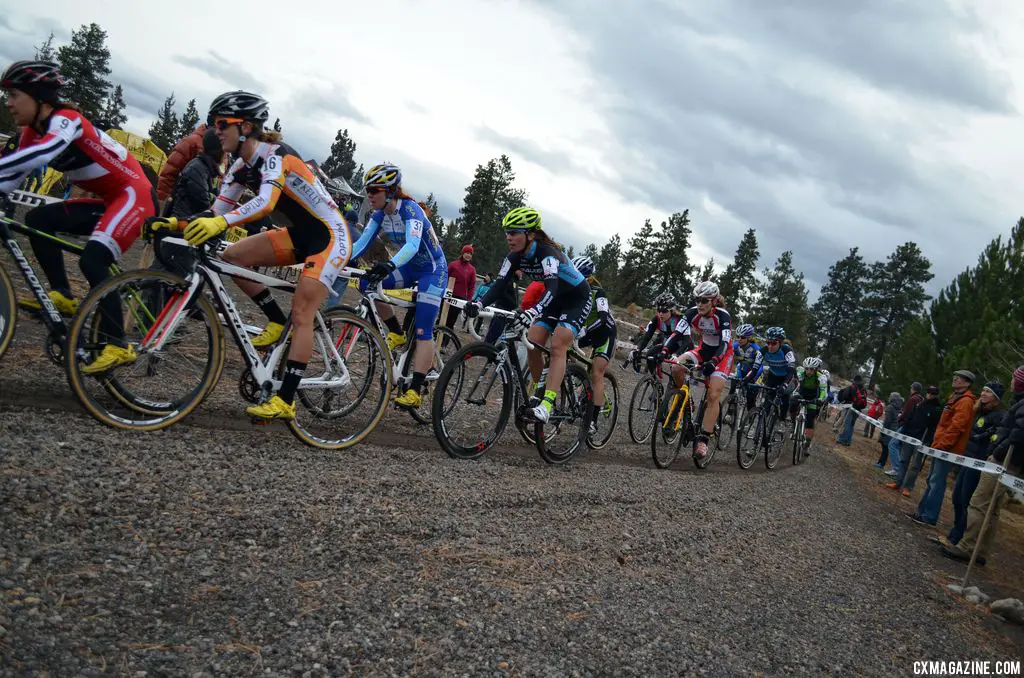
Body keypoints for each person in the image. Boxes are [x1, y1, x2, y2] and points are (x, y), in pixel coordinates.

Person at [155, 90, 354, 420]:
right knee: (232, 257)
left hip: (330, 236)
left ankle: (286, 400)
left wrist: (221, 220)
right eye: (214, 123)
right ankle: (275, 320)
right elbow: (216, 210)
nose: (215, 130)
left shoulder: (277, 156)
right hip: (298, 235)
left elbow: (265, 203)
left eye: (222, 124)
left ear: (246, 126)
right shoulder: (239, 167)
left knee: (303, 312)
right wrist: (175, 222)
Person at [0, 60, 156, 373]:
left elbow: (44, 154)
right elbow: (14, 176)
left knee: (92, 259)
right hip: (110, 199)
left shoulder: (67, 119)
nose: (10, 103)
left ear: (39, 97)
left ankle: (118, 343)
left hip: (134, 195)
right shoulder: (32, 131)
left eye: (15, 94)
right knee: (38, 221)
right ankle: (64, 296)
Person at [466, 207, 590, 423]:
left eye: (514, 232)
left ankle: (548, 404)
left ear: (530, 234)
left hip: (576, 298)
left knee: (558, 344)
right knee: (533, 340)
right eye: (507, 232)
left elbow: (551, 286)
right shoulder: (514, 256)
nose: (509, 237)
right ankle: (539, 390)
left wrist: (533, 311)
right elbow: (498, 285)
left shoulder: (547, 253)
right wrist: (478, 303)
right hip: (556, 299)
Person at [341, 163, 448, 409]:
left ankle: (416, 389)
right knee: (367, 282)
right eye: (367, 190)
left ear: (390, 191)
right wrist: (340, 259)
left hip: (433, 270)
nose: (369, 195)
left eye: (374, 190)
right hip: (410, 267)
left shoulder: (411, 210)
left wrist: (389, 265)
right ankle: (396, 333)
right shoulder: (379, 214)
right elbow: (360, 245)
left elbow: (412, 245)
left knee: (423, 328)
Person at [943, 366, 1024, 565]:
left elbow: (1018, 434)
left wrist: (997, 452)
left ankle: (967, 546)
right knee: (992, 509)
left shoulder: (1021, 405)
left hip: (1003, 461)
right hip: (1004, 460)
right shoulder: (1018, 403)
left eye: (1014, 378)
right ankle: (981, 550)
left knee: (979, 503)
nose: (1011, 382)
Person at [660, 281, 734, 459]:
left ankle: (703, 440)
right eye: (697, 299)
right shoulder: (692, 313)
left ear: (714, 301)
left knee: (713, 395)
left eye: (704, 300)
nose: (699, 304)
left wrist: (715, 360)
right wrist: (664, 351)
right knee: (677, 366)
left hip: (722, 355)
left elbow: (724, 343)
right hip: (703, 350)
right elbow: (676, 334)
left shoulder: (723, 316)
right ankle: (687, 401)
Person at [939, 381, 1005, 547]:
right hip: (967, 459)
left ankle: (958, 538)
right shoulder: (979, 412)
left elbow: (995, 435)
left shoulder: (998, 415)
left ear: (996, 397)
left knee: (966, 499)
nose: (983, 394)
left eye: (988, 392)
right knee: (956, 498)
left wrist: (983, 436)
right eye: (983, 390)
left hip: (979, 463)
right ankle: (956, 531)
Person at [907, 370, 977, 526]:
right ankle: (922, 512)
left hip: (947, 449)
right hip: (940, 446)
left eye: (960, 378)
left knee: (937, 481)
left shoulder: (965, 401)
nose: (955, 379)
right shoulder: (955, 398)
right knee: (932, 479)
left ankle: (929, 516)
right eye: (955, 376)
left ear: (967, 383)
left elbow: (956, 427)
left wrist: (941, 445)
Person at [572, 255, 617, 436]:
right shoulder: (573, 291)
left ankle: (592, 421)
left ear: (589, 277)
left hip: (604, 334)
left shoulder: (598, 293)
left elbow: (603, 318)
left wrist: (584, 331)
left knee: (597, 373)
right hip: (586, 332)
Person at [888, 385, 944, 495]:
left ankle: (908, 487)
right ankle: (898, 482)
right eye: (928, 392)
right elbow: (910, 416)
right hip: (910, 436)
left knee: (915, 465)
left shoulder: (937, 409)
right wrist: (905, 429)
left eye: (932, 393)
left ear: (936, 395)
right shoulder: (920, 404)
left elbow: (934, 428)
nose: (929, 395)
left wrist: (928, 441)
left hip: (922, 440)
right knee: (903, 461)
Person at [165, 128, 223, 220]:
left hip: (190, 222)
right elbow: (204, 204)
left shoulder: (209, 170)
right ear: (219, 151)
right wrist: (217, 199)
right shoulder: (197, 168)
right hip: (181, 225)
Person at [746, 326, 797, 424]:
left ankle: (782, 421)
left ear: (781, 342)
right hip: (773, 377)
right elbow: (754, 370)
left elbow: (791, 371)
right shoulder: (762, 351)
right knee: (766, 404)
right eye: (767, 342)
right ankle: (761, 427)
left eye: (773, 343)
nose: (770, 346)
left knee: (785, 399)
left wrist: (785, 385)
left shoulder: (787, 351)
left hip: (787, 378)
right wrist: (746, 379)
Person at [157, 120, 209, 208]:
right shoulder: (191, 142)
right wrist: (162, 200)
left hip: (203, 207)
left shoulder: (223, 148)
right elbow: (169, 172)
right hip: (179, 204)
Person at [629, 293, 681, 373]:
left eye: (664, 311)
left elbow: (687, 341)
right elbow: (647, 336)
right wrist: (637, 349)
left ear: (672, 310)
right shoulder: (656, 319)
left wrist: (677, 354)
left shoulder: (679, 320)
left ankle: (673, 382)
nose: (660, 314)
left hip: (680, 346)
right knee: (649, 354)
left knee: (675, 367)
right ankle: (653, 379)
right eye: (659, 310)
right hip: (666, 345)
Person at [792, 356, 828, 448]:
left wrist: (820, 399)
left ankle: (807, 442)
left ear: (816, 369)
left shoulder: (821, 377)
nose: (808, 371)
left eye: (811, 369)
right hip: (801, 393)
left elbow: (823, 390)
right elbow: (797, 384)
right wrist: (794, 393)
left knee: (810, 419)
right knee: (792, 403)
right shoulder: (801, 372)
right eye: (806, 368)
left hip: (813, 397)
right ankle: (793, 424)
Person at [731, 323, 762, 417]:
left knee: (750, 397)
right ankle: (730, 409)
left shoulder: (756, 348)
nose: (739, 339)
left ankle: (750, 417)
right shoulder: (735, 346)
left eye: (743, 337)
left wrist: (753, 378)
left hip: (755, 371)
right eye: (738, 336)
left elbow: (760, 366)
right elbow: (729, 358)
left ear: (748, 338)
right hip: (742, 368)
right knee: (733, 383)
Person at [445, 244, 477, 330]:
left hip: (460, 298)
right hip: (448, 295)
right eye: (467, 252)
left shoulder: (472, 269)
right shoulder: (453, 265)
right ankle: (436, 337)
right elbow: (445, 278)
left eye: (470, 254)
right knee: (442, 317)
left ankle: (445, 341)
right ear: (462, 253)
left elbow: (471, 286)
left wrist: (469, 300)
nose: (468, 255)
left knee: (451, 321)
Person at [835, 374, 868, 446]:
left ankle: (842, 439)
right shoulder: (863, 389)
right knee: (851, 425)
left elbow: (845, 396)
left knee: (847, 424)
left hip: (850, 407)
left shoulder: (852, 387)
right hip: (858, 409)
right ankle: (848, 440)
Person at [876, 392, 903, 471]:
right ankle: (880, 462)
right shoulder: (899, 407)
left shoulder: (890, 407)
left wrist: (883, 431)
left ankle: (881, 463)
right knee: (886, 447)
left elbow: (887, 421)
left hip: (889, 429)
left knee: (885, 446)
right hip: (895, 429)